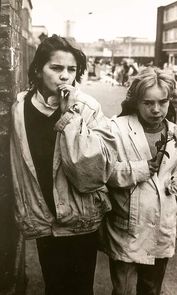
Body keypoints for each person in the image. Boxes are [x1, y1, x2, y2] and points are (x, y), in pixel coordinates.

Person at [10, 34, 117, 295]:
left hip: (80, 220)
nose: (65, 76)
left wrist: (70, 117)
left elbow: (93, 173)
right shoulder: (20, 108)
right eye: (56, 68)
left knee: (80, 288)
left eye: (71, 70)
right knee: (54, 287)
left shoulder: (88, 107)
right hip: (43, 218)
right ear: (38, 69)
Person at [100, 67, 177, 295]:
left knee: (151, 289)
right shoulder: (116, 129)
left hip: (161, 227)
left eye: (163, 102)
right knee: (123, 289)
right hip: (126, 228)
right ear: (136, 101)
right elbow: (102, 171)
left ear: (171, 101)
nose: (157, 110)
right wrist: (138, 170)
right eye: (148, 103)